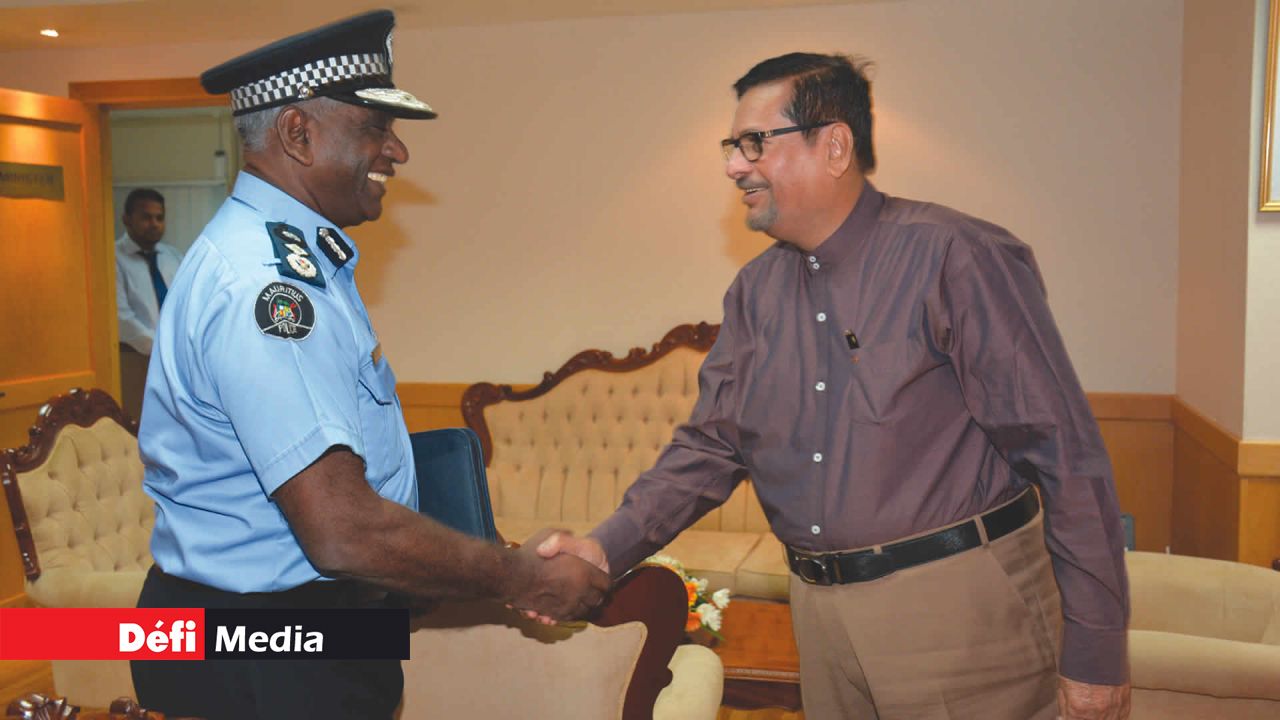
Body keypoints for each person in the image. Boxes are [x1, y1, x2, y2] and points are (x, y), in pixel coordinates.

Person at [543, 53, 1131, 719]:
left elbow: (1065, 457)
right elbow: (709, 447)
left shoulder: (956, 256)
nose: (735, 166)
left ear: (835, 145)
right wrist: (602, 546)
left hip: (960, 612)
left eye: (754, 143)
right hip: (819, 620)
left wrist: (1097, 649)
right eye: (732, 146)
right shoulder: (754, 293)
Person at [130, 11, 609, 720]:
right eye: (373, 128)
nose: (398, 151)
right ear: (299, 133)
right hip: (263, 645)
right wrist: (516, 576)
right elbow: (342, 528)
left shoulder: (292, 261)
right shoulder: (268, 288)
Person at [114, 188, 182, 421]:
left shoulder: (172, 256)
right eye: (146, 217)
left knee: (174, 422)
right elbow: (121, 318)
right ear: (126, 219)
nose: (154, 223)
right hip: (136, 359)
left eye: (159, 217)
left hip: (175, 360)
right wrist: (161, 349)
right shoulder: (113, 257)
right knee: (139, 424)